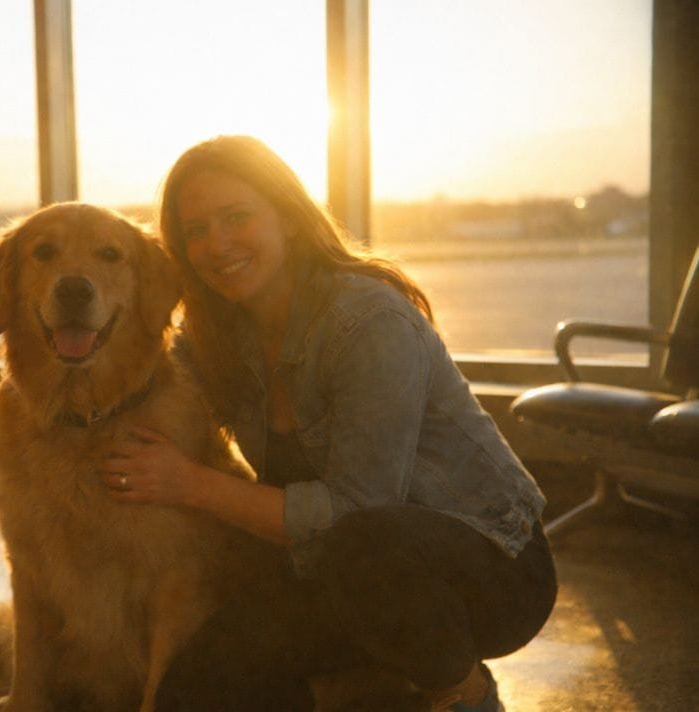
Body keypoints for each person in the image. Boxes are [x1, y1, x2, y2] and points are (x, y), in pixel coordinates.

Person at [99, 135, 557, 711]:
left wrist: (191, 483)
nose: (216, 245)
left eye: (236, 217)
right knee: (194, 692)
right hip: (338, 572)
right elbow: (137, 377)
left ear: (288, 218)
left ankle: (459, 691)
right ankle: (364, 684)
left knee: (364, 541)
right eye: (194, 231)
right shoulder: (218, 338)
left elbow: (358, 510)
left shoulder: (368, 321)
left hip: (491, 571)